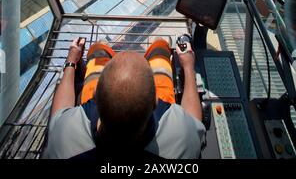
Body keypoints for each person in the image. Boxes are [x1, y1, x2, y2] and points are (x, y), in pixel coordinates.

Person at [43, 36, 206, 159]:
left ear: (94, 96)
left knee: (97, 49)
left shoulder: (63, 139)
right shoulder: (183, 140)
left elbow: (59, 113)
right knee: (160, 46)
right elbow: (193, 121)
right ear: (156, 101)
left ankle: (101, 54)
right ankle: (158, 53)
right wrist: (188, 66)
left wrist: (71, 62)